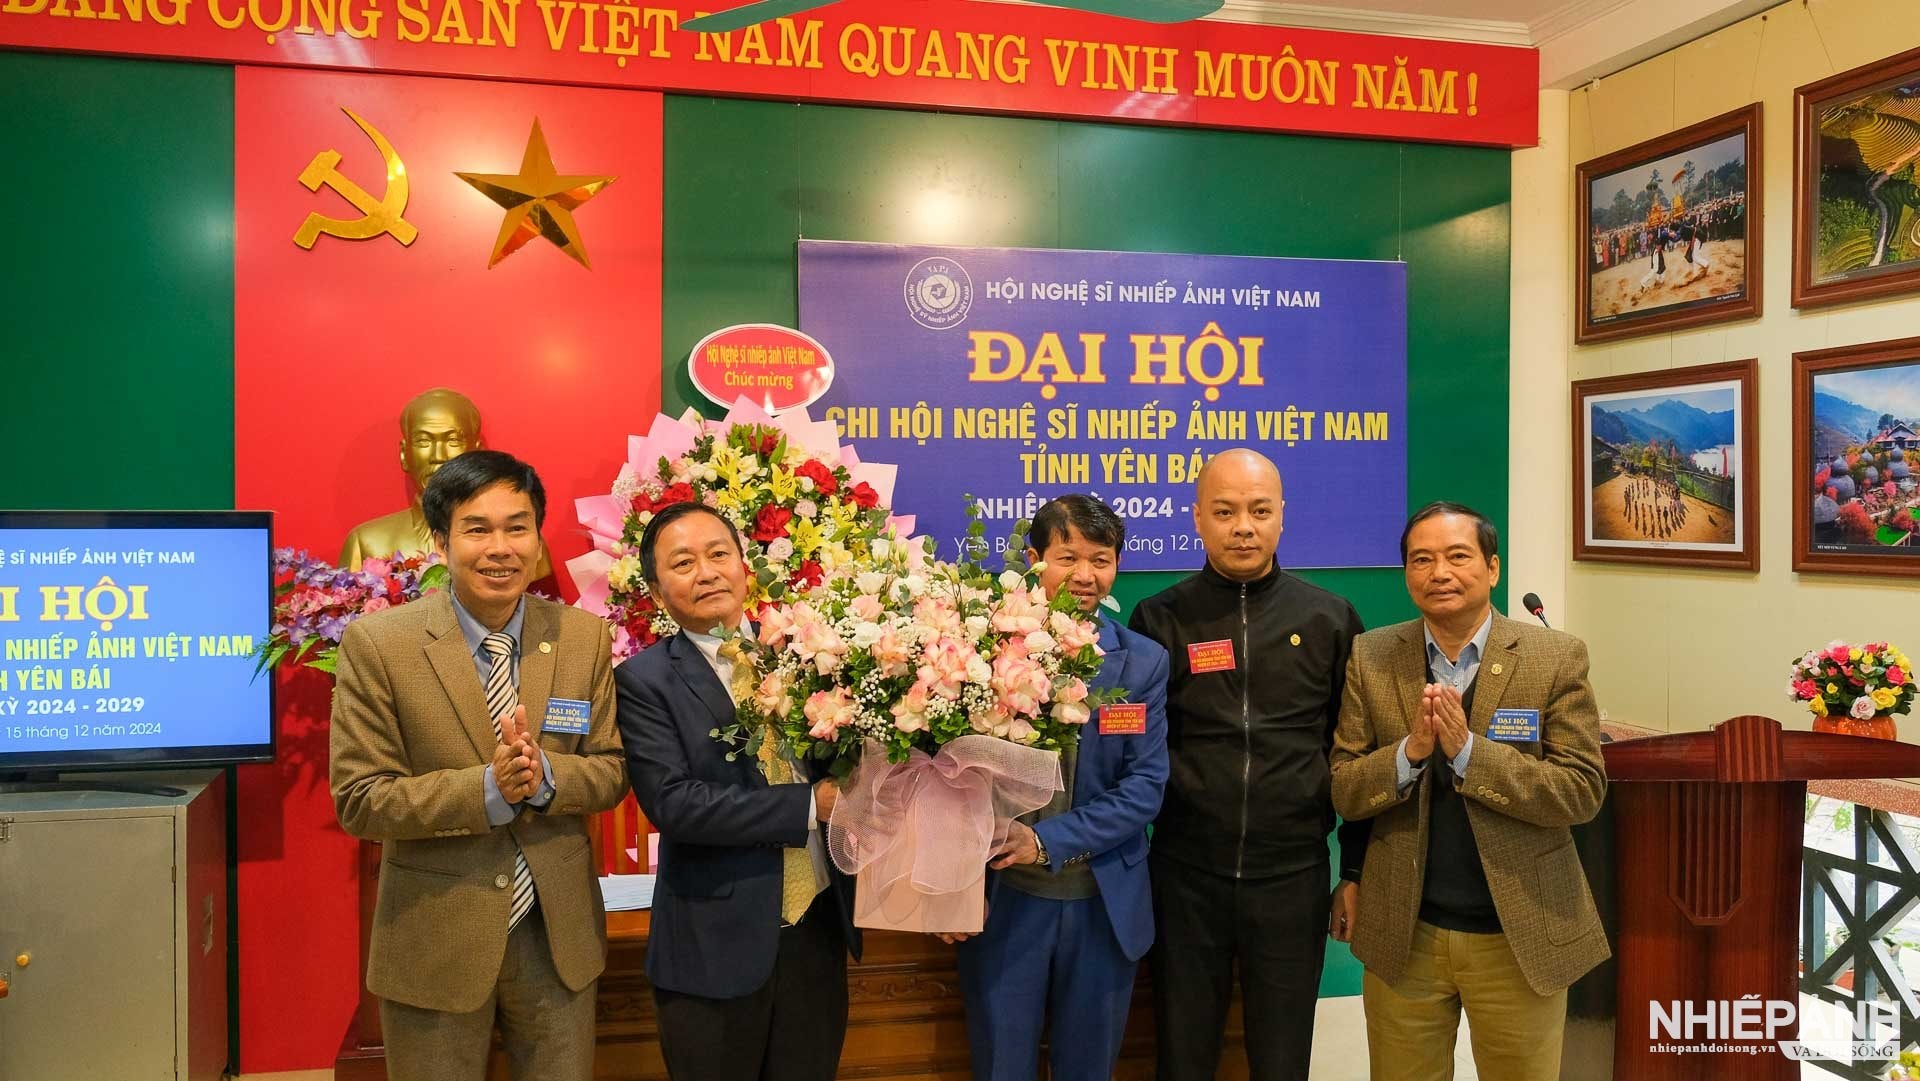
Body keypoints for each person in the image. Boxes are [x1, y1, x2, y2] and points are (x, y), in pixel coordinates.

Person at [329, 449, 630, 1081]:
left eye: (517, 528)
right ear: (441, 541)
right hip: (435, 934)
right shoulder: (380, 645)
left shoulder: (582, 637)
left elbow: (610, 768)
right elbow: (360, 798)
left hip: (557, 936)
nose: (500, 548)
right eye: (477, 529)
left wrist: (547, 778)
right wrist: (488, 790)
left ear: (537, 538)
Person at [1329, 502, 1609, 1081]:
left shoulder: (1554, 656)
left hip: (1519, 934)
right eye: (1421, 560)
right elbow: (1345, 789)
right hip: (1405, 934)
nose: (1439, 573)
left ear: (1492, 568)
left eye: (1458, 556)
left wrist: (1468, 754)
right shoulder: (1373, 654)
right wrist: (1409, 753)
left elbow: (1581, 790)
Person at [1128, 448, 1367, 1081]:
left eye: (1259, 511)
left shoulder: (1329, 618)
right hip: (1185, 875)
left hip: (1292, 876)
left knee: (1282, 1059)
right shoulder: (1159, 617)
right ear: (1197, 518)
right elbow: (1137, 747)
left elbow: (1355, 756)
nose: (1243, 527)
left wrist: (1355, 870)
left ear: (1282, 515)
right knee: (1182, 1056)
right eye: (1225, 511)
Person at [613, 500, 860, 1081]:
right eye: (683, 563)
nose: (706, 573)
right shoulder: (642, 682)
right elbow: (675, 804)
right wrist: (810, 804)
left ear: (745, 567)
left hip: (817, 932)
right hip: (712, 949)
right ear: (657, 591)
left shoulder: (808, 655)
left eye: (718, 554)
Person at [947, 494, 1170, 1081]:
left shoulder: (1142, 662)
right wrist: (948, 887)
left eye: (1101, 559)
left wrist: (1046, 842)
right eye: (1068, 557)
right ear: (1034, 559)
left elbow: (1144, 788)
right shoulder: (979, 650)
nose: (1085, 574)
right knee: (1002, 1066)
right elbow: (942, 780)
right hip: (1003, 902)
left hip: (1103, 902)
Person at [340, 386, 553, 580]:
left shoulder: (521, 544)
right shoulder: (365, 543)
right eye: (423, 441)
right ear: (404, 454)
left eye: (453, 440)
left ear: (476, 451)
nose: (439, 456)